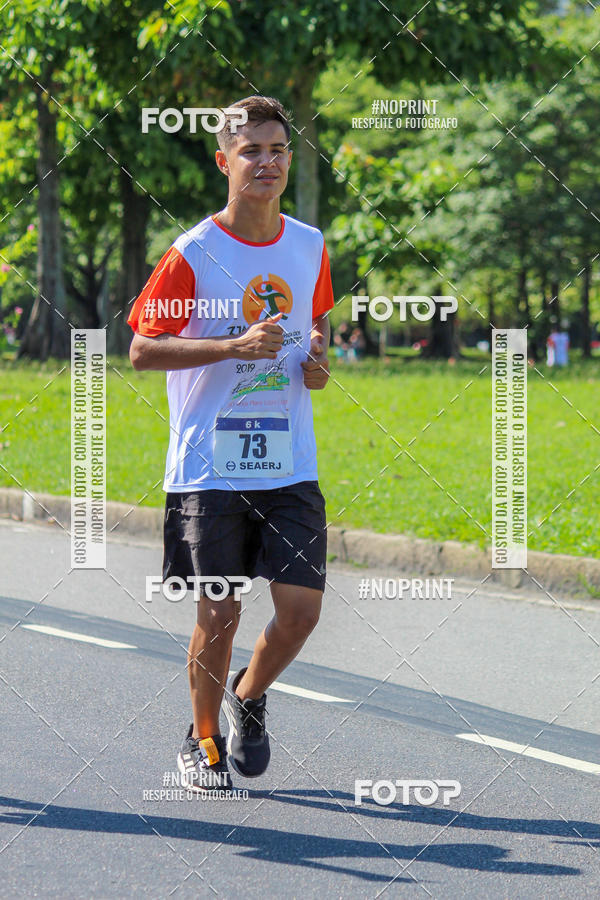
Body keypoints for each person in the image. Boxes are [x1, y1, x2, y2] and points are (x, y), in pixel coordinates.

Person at [127, 96, 334, 793]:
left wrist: (320, 364)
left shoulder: (308, 245)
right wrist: (233, 345)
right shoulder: (193, 252)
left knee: (301, 611)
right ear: (224, 161)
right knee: (219, 610)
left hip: (289, 462)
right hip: (209, 466)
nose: (267, 162)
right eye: (252, 151)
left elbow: (318, 326)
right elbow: (141, 350)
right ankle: (203, 738)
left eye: (278, 150)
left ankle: (249, 693)